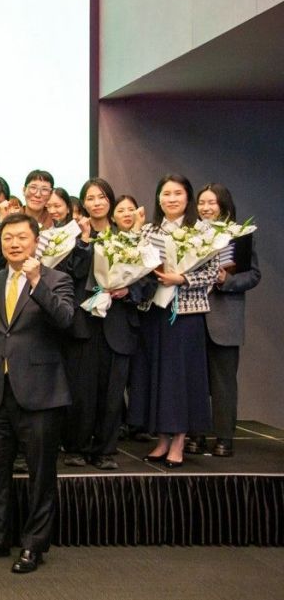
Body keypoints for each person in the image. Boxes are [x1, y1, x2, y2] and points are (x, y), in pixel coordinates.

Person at [0, 213, 75, 574]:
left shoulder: (56, 279)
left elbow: (66, 320)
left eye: (21, 237)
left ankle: (33, 546)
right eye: (8, 237)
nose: (14, 243)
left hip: (41, 393)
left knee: (41, 475)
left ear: (35, 241)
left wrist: (37, 282)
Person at [129, 174, 217, 467]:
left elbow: (212, 273)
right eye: (166, 194)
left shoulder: (203, 231)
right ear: (158, 198)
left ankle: (179, 439)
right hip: (153, 311)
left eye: (178, 193)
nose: (171, 199)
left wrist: (182, 278)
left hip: (185, 314)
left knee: (180, 377)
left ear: (188, 197)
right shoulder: (149, 230)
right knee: (156, 375)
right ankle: (162, 439)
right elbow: (135, 265)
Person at [62, 179, 140, 470]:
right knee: (82, 391)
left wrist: (127, 290)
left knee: (112, 393)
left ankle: (106, 450)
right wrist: (84, 242)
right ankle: (77, 447)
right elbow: (71, 273)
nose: (96, 203)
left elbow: (144, 281)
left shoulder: (127, 237)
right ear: (83, 203)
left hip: (117, 322)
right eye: (90, 198)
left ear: (110, 200)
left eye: (101, 197)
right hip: (84, 322)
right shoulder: (74, 234)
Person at [197, 183, 260, 457]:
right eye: (201, 203)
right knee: (196, 381)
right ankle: (196, 434)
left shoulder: (239, 236)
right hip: (193, 316)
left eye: (211, 202)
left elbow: (253, 275)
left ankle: (224, 437)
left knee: (223, 382)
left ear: (223, 205)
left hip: (225, 320)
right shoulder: (190, 236)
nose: (205, 208)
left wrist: (227, 280)